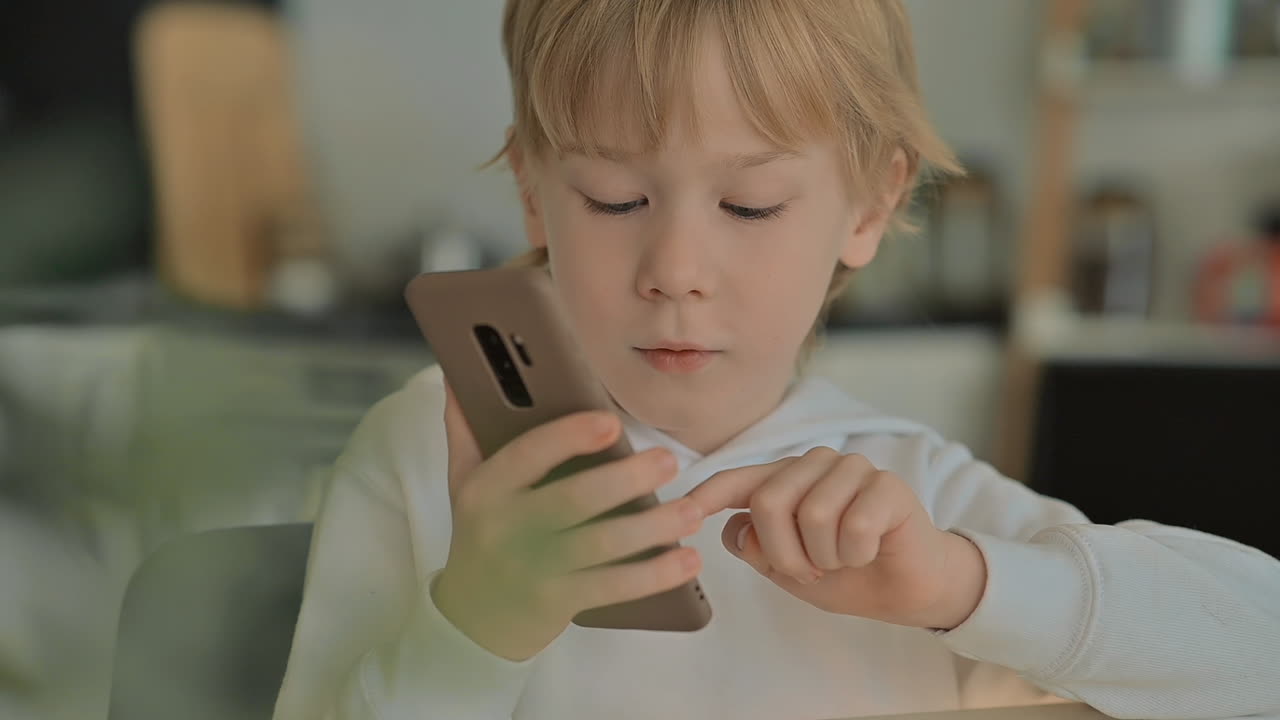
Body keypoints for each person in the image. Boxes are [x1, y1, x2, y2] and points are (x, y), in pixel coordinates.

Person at [272, 2, 1280, 718]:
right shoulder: (427, 451)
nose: (673, 270)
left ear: (872, 204)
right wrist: (474, 629)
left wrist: (965, 588)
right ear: (533, 188)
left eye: (748, 205)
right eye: (614, 199)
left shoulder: (909, 494)